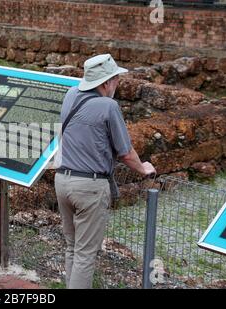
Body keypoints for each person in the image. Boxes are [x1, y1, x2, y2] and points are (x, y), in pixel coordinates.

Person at [54, 54, 156, 289]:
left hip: (63, 180)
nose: (117, 85)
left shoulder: (71, 94)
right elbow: (126, 152)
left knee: (72, 247)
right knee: (85, 254)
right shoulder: (108, 106)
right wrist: (144, 169)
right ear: (105, 83)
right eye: (116, 80)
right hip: (89, 187)